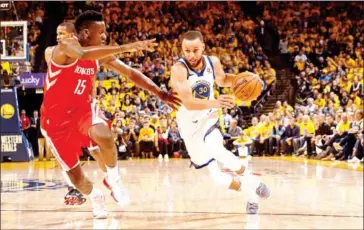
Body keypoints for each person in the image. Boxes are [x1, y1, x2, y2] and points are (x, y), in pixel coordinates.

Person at [41, 19, 180, 219]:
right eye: (102, 32)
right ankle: (95, 197)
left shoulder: (100, 55)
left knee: (104, 136)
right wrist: (125, 47)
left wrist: (160, 93)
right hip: (55, 122)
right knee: (77, 179)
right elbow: (81, 54)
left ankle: (114, 180)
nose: (105, 36)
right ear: (86, 33)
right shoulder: (62, 48)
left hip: (82, 111)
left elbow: (131, 73)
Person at [170, 31, 270, 214]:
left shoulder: (212, 61)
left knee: (217, 149)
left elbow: (223, 80)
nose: (191, 55)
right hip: (188, 124)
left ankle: (252, 192)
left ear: (203, 47)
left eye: (195, 50)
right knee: (216, 178)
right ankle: (249, 187)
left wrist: (245, 79)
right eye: (187, 51)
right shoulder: (179, 69)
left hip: (208, 118)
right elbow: (188, 102)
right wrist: (216, 102)